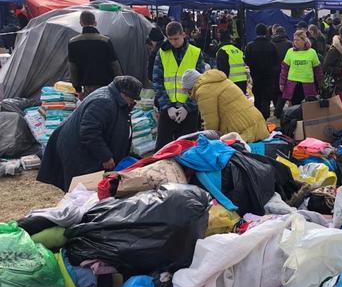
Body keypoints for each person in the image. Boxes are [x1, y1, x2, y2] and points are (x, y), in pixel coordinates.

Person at [38, 76, 143, 191]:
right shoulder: (103, 102)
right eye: (132, 98)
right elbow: (89, 132)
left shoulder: (115, 100)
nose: (133, 102)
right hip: (79, 152)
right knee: (82, 189)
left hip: (87, 151)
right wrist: (105, 156)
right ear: (124, 94)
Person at [152, 21, 205, 150]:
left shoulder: (195, 52)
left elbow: (201, 84)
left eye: (176, 38)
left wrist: (188, 107)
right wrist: (167, 106)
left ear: (183, 35)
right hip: (168, 109)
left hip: (189, 110)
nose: (173, 42)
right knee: (162, 148)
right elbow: (157, 81)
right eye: (170, 39)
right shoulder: (162, 53)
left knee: (188, 150)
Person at [181, 69, 269, 142]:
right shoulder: (220, 80)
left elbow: (211, 123)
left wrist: (207, 141)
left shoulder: (203, 91)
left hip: (243, 131)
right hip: (257, 123)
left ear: (190, 88)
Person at [68, 10, 123, 98]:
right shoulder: (105, 41)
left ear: (81, 23)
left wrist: (77, 88)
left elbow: (73, 68)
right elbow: (115, 65)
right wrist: (120, 85)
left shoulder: (73, 42)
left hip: (86, 86)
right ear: (95, 23)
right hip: (106, 85)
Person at [275, 30, 323, 117]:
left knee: (308, 109)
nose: (295, 42)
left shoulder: (312, 52)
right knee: (295, 109)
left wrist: (320, 83)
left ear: (304, 40)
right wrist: (282, 83)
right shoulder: (290, 51)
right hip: (293, 85)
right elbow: (284, 69)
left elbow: (318, 70)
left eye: (297, 40)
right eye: (294, 39)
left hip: (307, 85)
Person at [244, 23, 279, 120]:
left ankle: (258, 116)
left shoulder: (250, 46)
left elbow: (247, 60)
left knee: (257, 97)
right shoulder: (271, 45)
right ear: (266, 32)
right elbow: (276, 61)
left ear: (256, 32)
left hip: (256, 76)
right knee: (266, 98)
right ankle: (265, 116)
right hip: (269, 77)